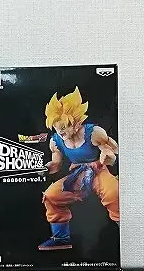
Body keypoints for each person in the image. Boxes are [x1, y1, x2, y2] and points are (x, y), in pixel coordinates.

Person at [39, 87, 119, 250]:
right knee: (51, 195)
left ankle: (125, 230)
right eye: (56, 127)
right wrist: (45, 168)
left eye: (63, 127)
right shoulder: (56, 141)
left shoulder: (94, 133)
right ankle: (61, 238)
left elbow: (112, 152)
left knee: (114, 193)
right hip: (77, 175)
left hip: (99, 171)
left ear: (76, 123)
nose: (60, 132)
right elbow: (56, 164)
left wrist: (107, 156)